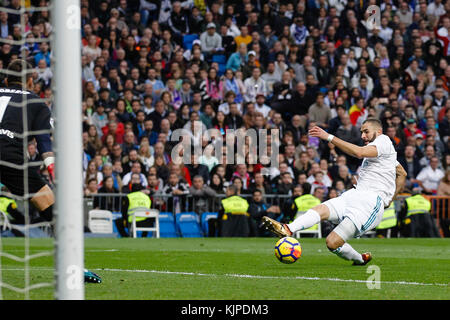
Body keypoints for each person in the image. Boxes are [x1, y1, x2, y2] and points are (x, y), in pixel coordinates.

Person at [263, 119, 407, 265]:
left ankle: (358, 259)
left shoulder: (384, 140)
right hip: (354, 194)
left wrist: (328, 137)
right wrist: (391, 198)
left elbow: (359, 152)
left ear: (379, 132)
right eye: (361, 132)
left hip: (369, 204)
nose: (363, 136)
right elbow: (402, 173)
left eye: (366, 132)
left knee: (332, 243)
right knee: (320, 210)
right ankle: (288, 228)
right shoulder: (386, 155)